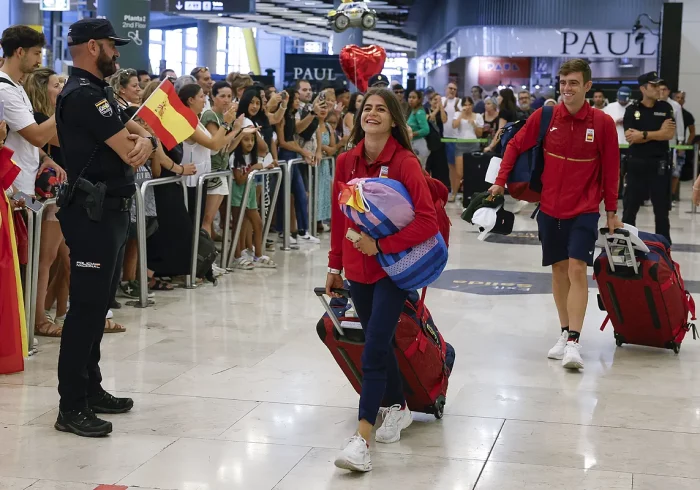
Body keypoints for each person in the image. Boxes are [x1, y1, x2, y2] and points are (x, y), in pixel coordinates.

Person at [54, 18, 157, 437]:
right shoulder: (84, 97)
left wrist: (145, 140)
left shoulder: (101, 95)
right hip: (91, 215)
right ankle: (71, 405)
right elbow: (131, 151)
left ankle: (92, 389)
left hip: (111, 212)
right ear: (93, 47)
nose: (118, 53)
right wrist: (143, 143)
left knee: (98, 308)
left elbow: (143, 135)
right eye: (113, 46)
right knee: (84, 311)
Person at [327, 88, 439, 472]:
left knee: (373, 345)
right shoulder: (346, 161)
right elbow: (340, 216)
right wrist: (334, 266)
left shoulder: (405, 162)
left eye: (380, 109)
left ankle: (362, 438)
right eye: (366, 108)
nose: (371, 113)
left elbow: (426, 221)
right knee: (382, 340)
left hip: (394, 268)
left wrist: (381, 244)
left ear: (393, 119)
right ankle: (398, 405)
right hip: (358, 270)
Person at [489, 58, 621, 372]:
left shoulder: (601, 123)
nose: (567, 89)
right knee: (559, 270)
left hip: (585, 208)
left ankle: (574, 341)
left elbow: (612, 171)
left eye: (573, 83)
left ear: (588, 86)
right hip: (549, 208)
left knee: (577, 268)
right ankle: (564, 331)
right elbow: (514, 144)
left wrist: (612, 211)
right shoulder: (545, 115)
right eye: (563, 83)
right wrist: (498, 181)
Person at [23, 67, 72, 337]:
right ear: (43, 89)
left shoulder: (51, 118)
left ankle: (59, 311)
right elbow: (60, 138)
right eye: (57, 84)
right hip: (47, 198)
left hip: (60, 195)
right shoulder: (41, 119)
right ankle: (39, 318)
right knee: (47, 258)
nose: (62, 88)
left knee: (65, 257)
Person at [0, 26, 65, 199]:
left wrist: (44, 157)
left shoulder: (16, 87)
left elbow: (24, 136)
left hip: (23, 188)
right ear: (20, 52)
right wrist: (62, 104)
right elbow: (37, 137)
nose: (39, 59)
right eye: (36, 53)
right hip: (12, 191)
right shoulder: (4, 90)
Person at [621, 72, 676, 243]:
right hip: (637, 164)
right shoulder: (632, 109)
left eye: (659, 85)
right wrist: (657, 133)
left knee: (661, 210)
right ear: (643, 88)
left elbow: (669, 134)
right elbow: (630, 137)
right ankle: (626, 243)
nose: (658, 89)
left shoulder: (665, 108)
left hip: (658, 164)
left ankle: (664, 245)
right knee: (630, 208)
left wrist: (643, 134)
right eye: (653, 85)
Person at [451, 96, 484, 199]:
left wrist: (474, 124)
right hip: (460, 144)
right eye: (465, 104)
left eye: (469, 104)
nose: (467, 107)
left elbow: (480, 133)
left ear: (473, 105)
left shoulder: (477, 116)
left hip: (473, 145)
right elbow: (454, 125)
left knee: (472, 172)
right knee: (459, 172)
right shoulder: (457, 114)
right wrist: (462, 114)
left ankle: (472, 194)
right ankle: (454, 194)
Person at [603, 86, 633, 197]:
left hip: (630, 144)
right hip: (613, 144)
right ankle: (615, 192)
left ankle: (628, 192)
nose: (623, 101)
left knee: (629, 170)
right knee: (614, 170)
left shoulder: (634, 108)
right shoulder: (609, 108)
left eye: (625, 99)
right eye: (621, 98)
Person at [673, 91, 696, 199]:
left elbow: (692, 132)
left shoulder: (687, 115)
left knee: (676, 172)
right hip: (666, 144)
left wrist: (686, 145)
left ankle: (673, 196)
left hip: (679, 146)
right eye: (677, 97)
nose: (679, 100)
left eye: (682, 98)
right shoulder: (667, 111)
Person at [426, 92, 450, 190]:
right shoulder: (425, 110)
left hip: (439, 143)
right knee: (427, 167)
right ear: (430, 101)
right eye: (435, 100)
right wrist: (436, 109)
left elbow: (444, 120)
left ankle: (439, 189)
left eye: (440, 100)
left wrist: (441, 108)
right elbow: (430, 118)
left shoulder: (442, 111)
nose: (438, 102)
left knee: (439, 168)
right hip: (428, 142)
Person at [407, 90, 431, 168]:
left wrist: (412, 133)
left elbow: (426, 130)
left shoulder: (419, 112)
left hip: (419, 145)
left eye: (414, 97)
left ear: (419, 99)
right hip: (413, 144)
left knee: (419, 170)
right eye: (409, 97)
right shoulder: (413, 111)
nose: (411, 99)